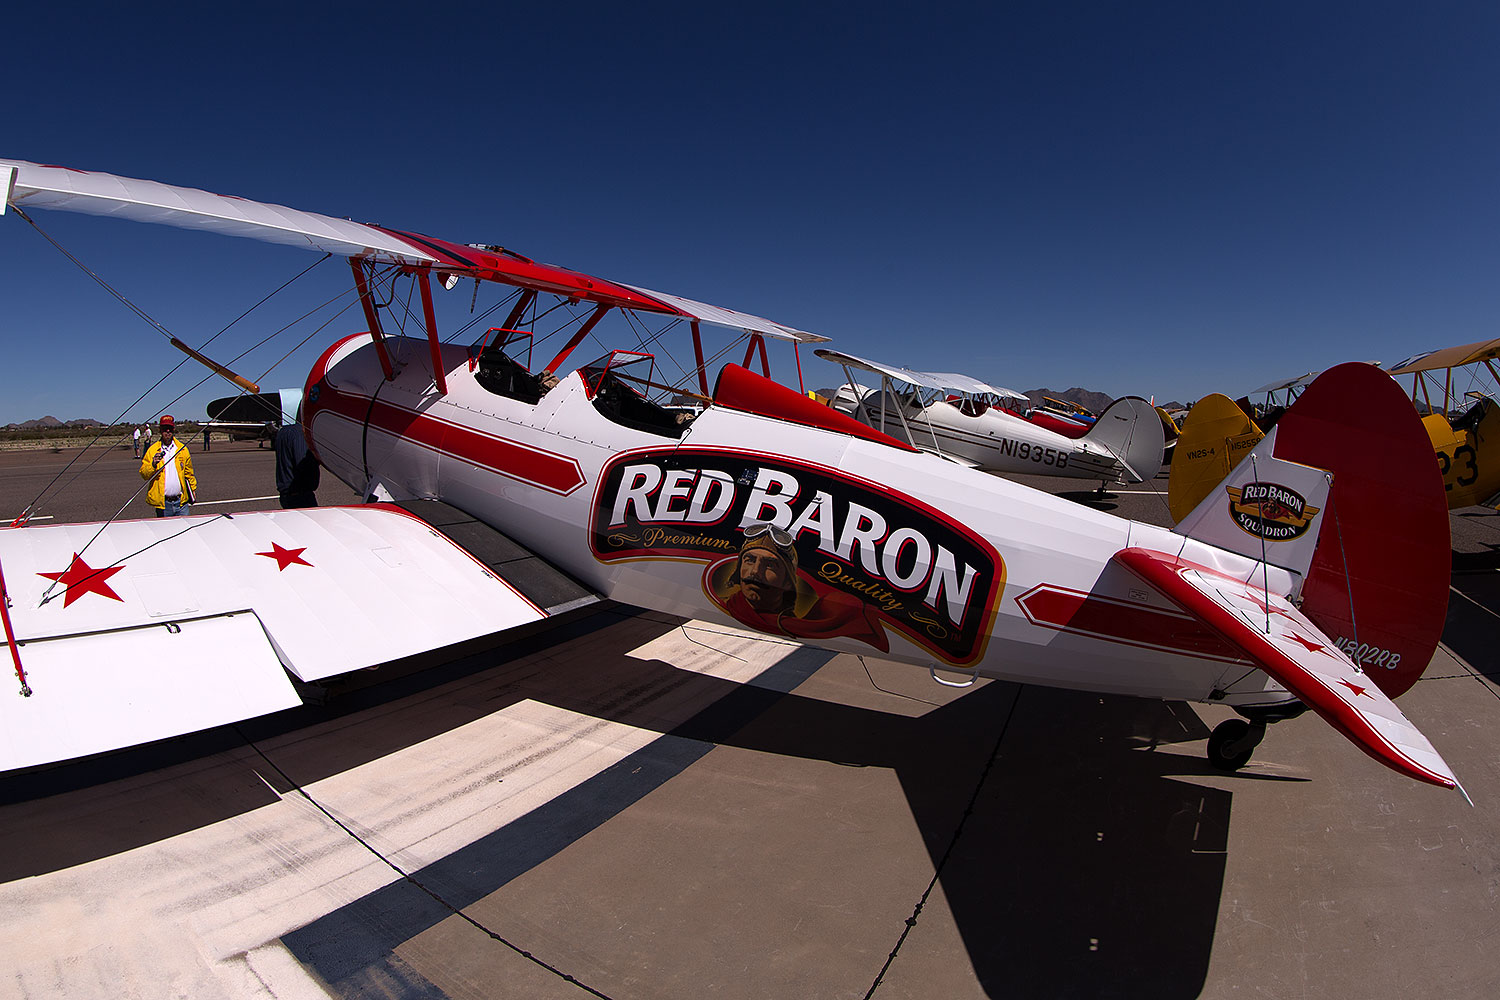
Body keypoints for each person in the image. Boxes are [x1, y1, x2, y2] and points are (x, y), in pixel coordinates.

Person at [139, 415, 197, 517]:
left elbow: (189, 473)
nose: (168, 431)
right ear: (160, 430)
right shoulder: (152, 450)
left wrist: (193, 489)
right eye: (165, 429)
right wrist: (153, 465)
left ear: (173, 430)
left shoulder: (182, 449)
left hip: (181, 503)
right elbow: (144, 474)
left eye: (170, 429)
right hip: (164, 504)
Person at [274, 420, 320, 508]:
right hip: (300, 495)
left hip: (286, 493)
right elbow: (303, 463)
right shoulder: (299, 433)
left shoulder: (282, 432)